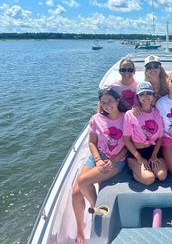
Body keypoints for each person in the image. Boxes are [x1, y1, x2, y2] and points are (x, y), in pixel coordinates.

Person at [72, 87, 129, 244]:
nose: (107, 105)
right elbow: (91, 142)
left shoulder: (127, 118)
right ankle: (80, 227)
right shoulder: (96, 119)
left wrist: (114, 160)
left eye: (110, 101)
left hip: (117, 160)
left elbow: (128, 145)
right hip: (98, 156)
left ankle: (96, 210)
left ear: (117, 101)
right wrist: (97, 160)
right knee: (76, 192)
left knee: (83, 181)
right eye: (103, 102)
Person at [123, 82, 168, 185]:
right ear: (138, 97)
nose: (145, 96)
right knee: (149, 179)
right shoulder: (130, 114)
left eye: (148, 93)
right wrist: (139, 158)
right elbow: (126, 140)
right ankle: (135, 169)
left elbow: (160, 138)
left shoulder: (157, 112)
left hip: (152, 150)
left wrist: (154, 155)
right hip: (136, 153)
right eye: (142, 94)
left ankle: (148, 168)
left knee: (162, 176)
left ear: (153, 96)